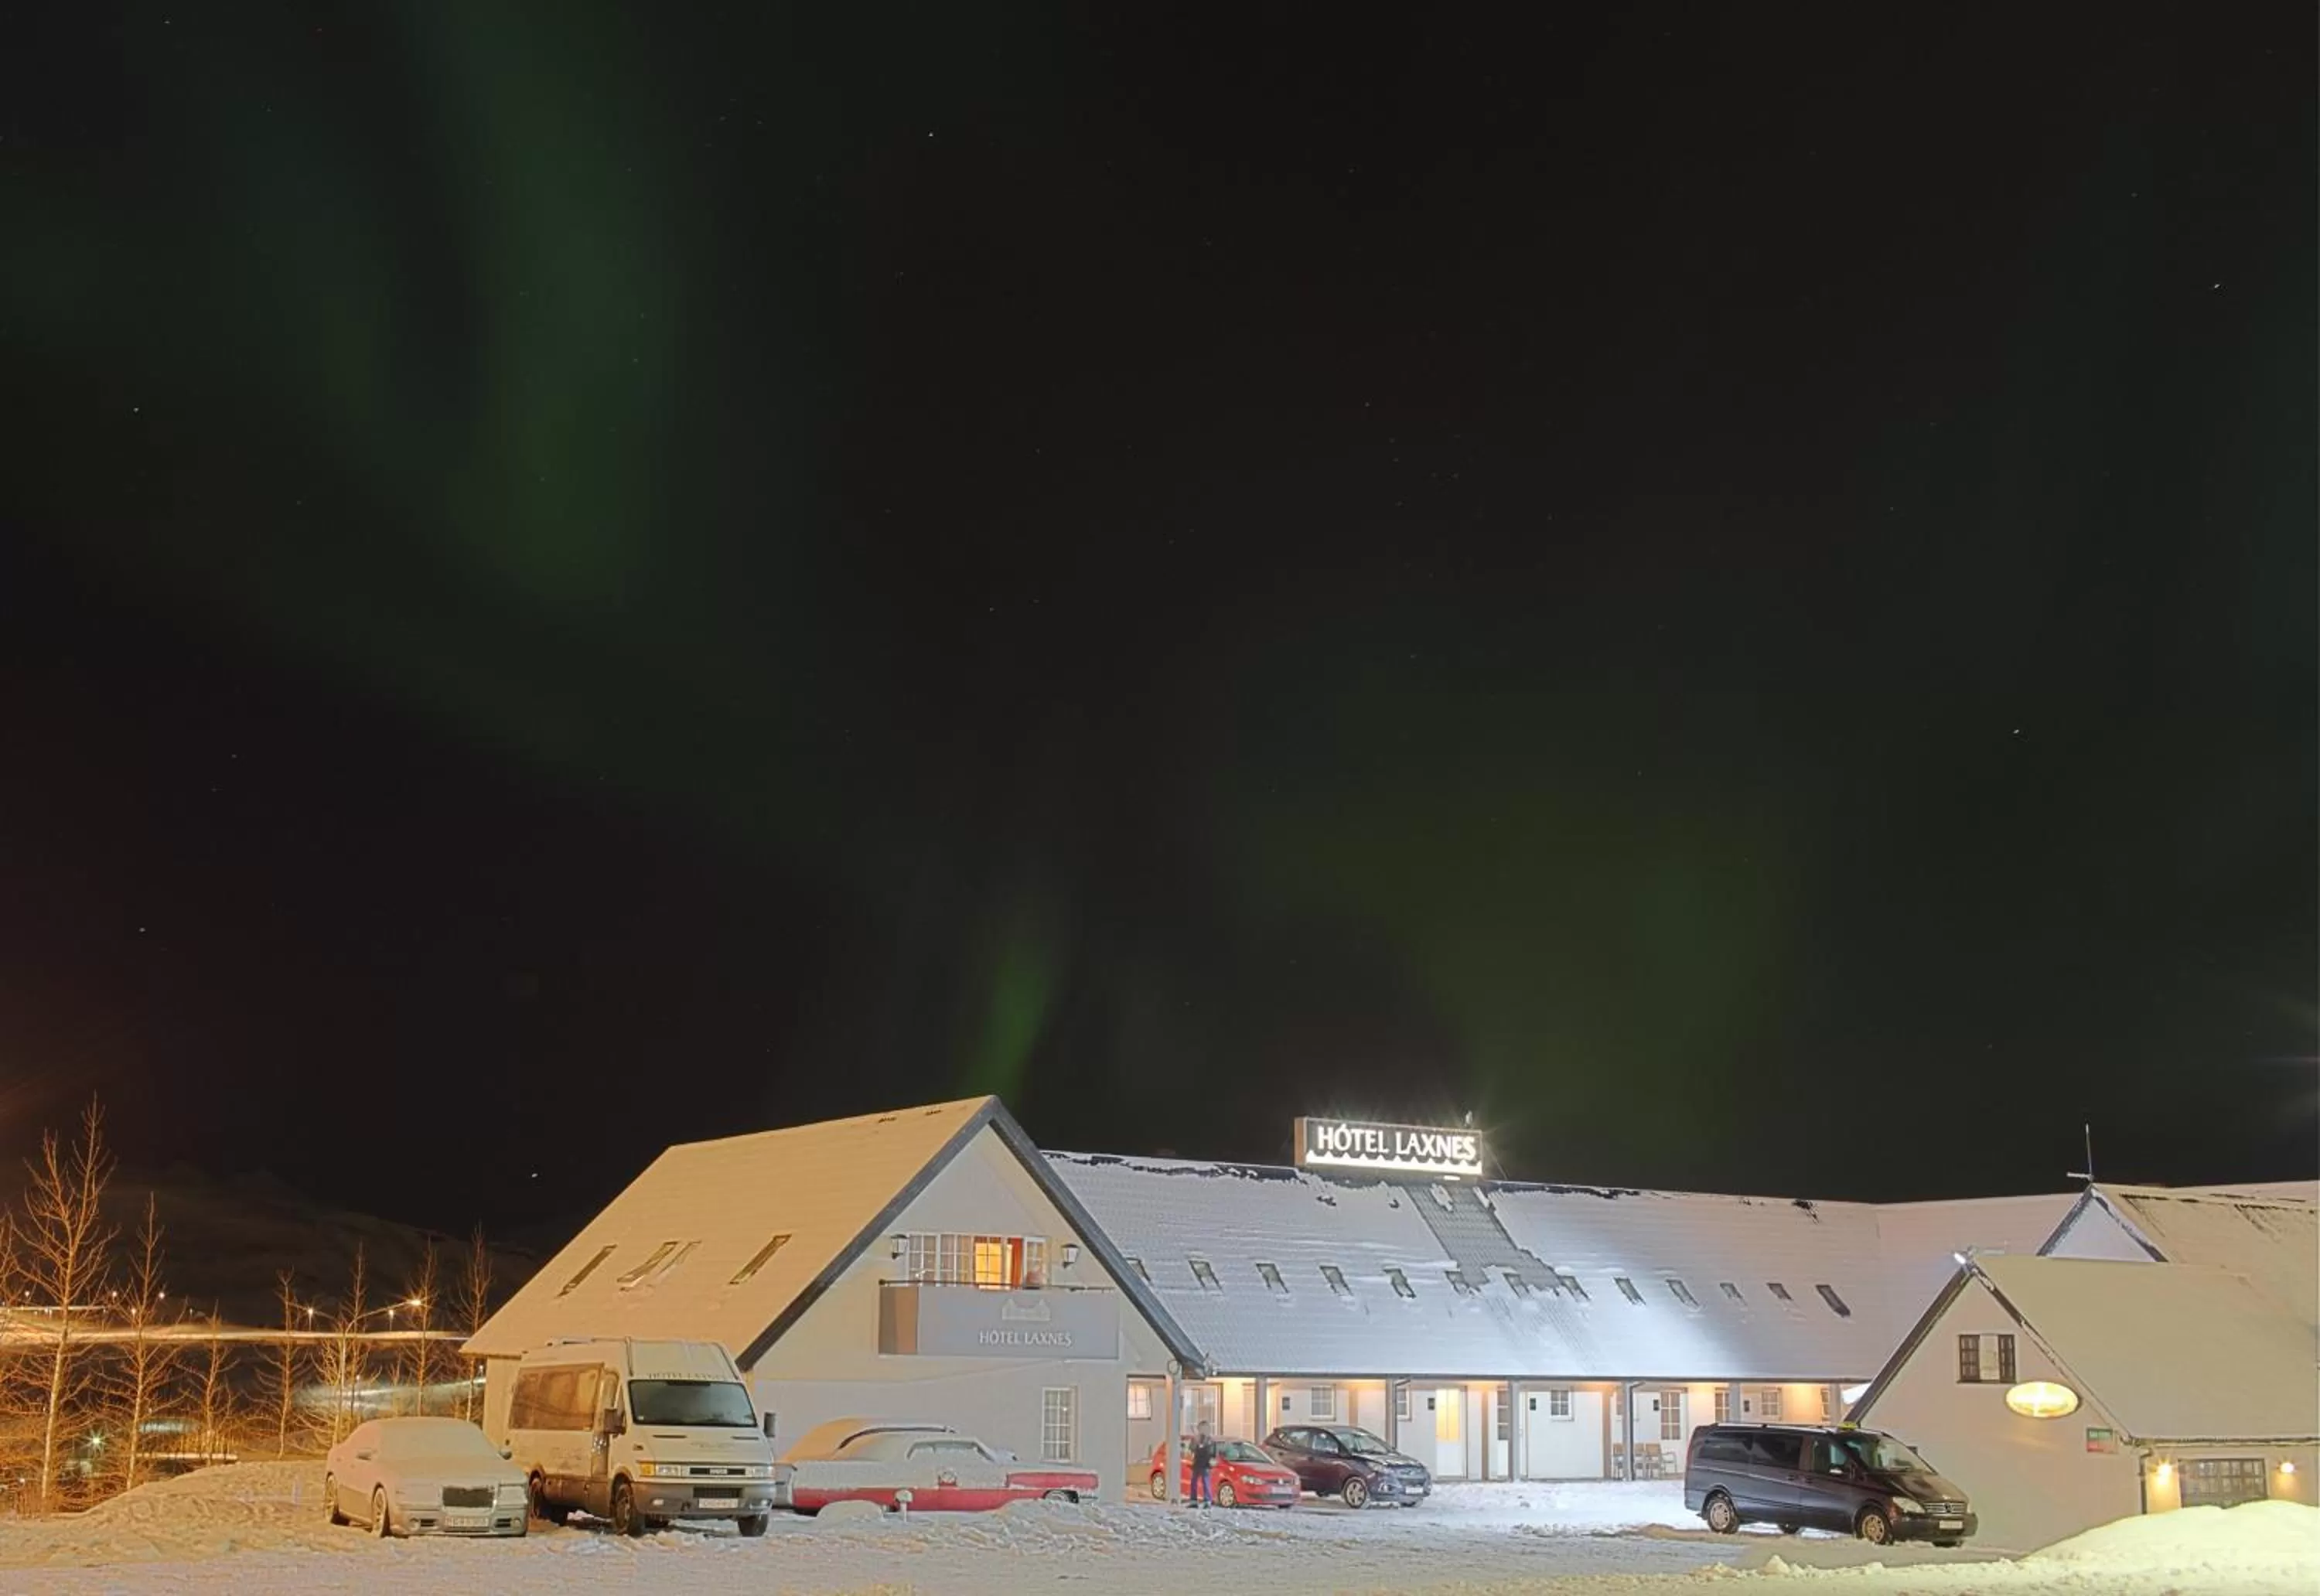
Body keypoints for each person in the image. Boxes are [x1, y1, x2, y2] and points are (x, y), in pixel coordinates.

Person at [1189, 1424, 1216, 1509]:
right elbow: (1192, 1449)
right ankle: (1193, 1501)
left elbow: (1212, 1453)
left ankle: (1207, 1501)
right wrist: (1195, 1444)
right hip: (1197, 1464)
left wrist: (1211, 1462)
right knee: (1194, 1483)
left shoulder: (1210, 1441)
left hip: (1205, 1465)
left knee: (1206, 1483)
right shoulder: (1195, 1439)